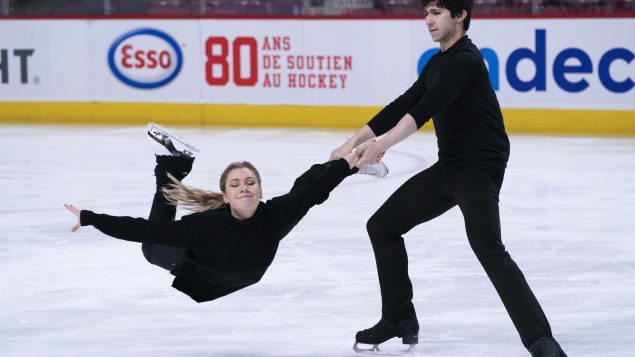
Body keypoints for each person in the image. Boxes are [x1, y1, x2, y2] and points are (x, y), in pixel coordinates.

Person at [330, 1, 568, 356]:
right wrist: (353, 141)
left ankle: (540, 340)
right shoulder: (437, 63)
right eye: (426, 12)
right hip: (449, 167)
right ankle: (399, 319)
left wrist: (382, 145)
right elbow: (405, 103)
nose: (428, 20)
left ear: (460, 16)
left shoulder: (466, 60)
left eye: (437, 13)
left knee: (488, 247)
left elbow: (424, 111)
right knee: (382, 226)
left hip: (478, 168)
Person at [65, 123, 372, 303]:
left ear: (261, 190)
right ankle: (173, 165)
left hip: (244, 272)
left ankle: (174, 165)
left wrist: (350, 163)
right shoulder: (205, 228)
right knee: (152, 248)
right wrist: (91, 218)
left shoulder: (276, 214)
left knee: (305, 193)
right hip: (207, 274)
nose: (245, 188)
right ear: (225, 196)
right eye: (236, 184)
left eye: (251, 182)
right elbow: (143, 230)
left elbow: (315, 188)